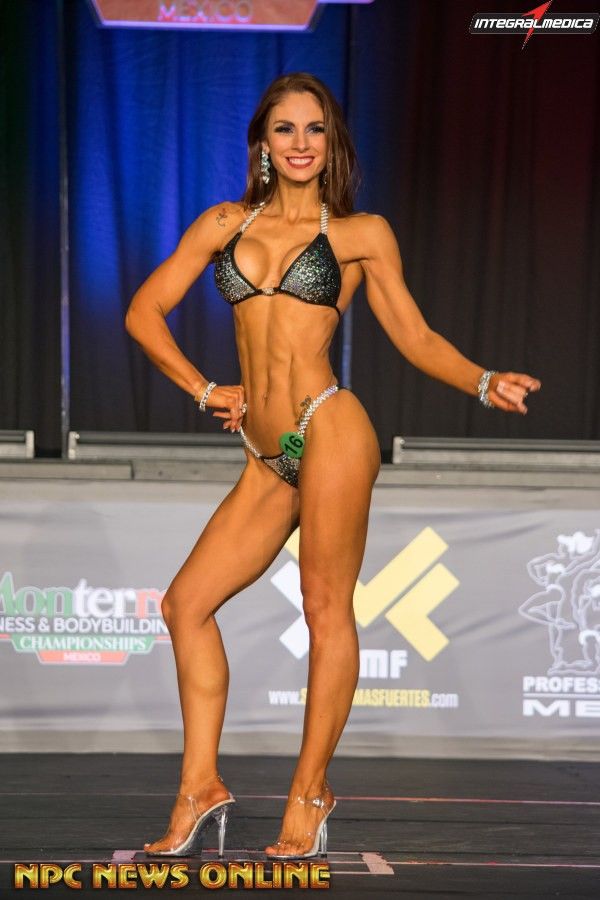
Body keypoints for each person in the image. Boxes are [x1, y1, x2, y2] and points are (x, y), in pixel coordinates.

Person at [124, 71, 542, 860]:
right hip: (267, 455)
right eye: (285, 129)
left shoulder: (359, 235)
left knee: (324, 607)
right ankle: (199, 786)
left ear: (332, 142)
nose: (301, 143)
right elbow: (143, 312)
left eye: (315, 129)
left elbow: (414, 337)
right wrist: (204, 388)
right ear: (262, 143)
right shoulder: (222, 224)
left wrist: (484, 381)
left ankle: (310, 793)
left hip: (329, 428)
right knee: (185, 606)